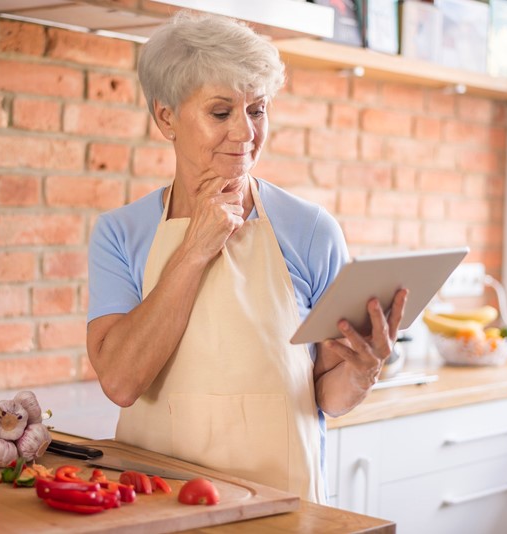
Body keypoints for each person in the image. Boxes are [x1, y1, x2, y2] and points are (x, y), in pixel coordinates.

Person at [86, 12, 408, 504]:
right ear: (166, 116)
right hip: (156, 505)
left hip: (278, 505)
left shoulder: (312, 230)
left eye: (256, 110)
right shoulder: (120, 233)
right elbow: (121, 381)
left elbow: (326, 394)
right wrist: (195, 248)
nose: (245, 133)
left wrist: (362, 372)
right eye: (221, 112)